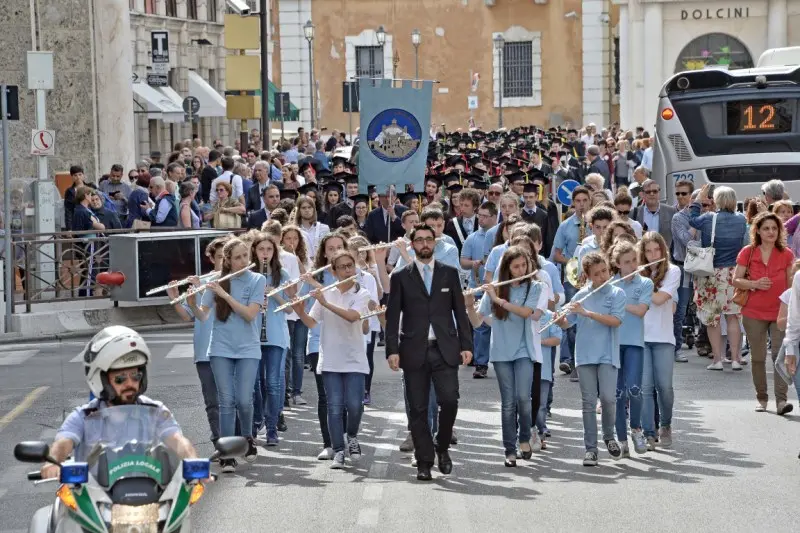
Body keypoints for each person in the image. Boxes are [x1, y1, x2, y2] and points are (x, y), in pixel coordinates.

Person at [40, 326, 199, 478]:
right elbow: (64, 442)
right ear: (101, 380)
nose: (130, 383)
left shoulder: (155, 411)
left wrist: (192, 460)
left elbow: (177, 441)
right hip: (95, 499)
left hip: (150, 494)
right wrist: (53, 462)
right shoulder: (84, 417)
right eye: (120, 378)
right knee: (61, 505)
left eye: (135, 376)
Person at [385, 223, 473, 480]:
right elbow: (392, 317)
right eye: (419, 240)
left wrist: (466, 345)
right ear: (412, 245)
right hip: (413, 349)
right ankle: (424, 460)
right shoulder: (401, 276)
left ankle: (442, 446)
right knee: (418, 408)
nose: (424, 244)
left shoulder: (449, 273)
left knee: (449, 401)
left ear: (435, 243)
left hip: (444, 348)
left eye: (428, 240)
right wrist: (392, 350)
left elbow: (460, 311)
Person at [464, 246, 547, 466]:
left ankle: (524, 438)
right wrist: (469, 304)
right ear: (508, 270)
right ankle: (510, 450)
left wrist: (497, 300)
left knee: (523, 399)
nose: (521, 270)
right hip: (501, 352)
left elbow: (526, 313)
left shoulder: (535, 287)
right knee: (508, 403)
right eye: (516, 266)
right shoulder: (496, 289)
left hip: (523, 350)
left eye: (524, 265)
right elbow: (477, 322)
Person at [192, 238, 266, 473]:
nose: (244, 260)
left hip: (248, 347)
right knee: (227, 401)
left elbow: (250, 314)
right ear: (228, 261)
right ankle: (227, 454)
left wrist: (224, 295)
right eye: (238, 258)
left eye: (245, 255)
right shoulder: (216, 282)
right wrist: (191, 301)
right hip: (220, 347)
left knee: (244, 400)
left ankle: (247, 438)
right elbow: (203, 316)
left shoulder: (257, 279)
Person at [293, 249, 371, 469]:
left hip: (354, 358)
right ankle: (338, 449)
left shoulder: (362, 293)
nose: (347, 270)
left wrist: (324, 301)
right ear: (334, 272)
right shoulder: (325, 293)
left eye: (350, 266)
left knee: (355, 405)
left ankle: (352, 436)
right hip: (330, 360)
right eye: (342, 267)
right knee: (334, 407)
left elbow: (352, 317)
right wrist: (299, 310)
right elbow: (312, 322)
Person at [559, 252, 625, 467]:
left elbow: (615, 321)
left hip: (607, 353)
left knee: (607, 398)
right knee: (588, 403)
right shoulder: (580, 296)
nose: (603, 276)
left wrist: (587, 313)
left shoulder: (617, 293)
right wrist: (560, 320)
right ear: (587, 276)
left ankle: (608, 436)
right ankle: (591, 449)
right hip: (585, 354)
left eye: (604, 271)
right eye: (596, 274)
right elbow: (567, 324)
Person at [167, 237, 229, 445]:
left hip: (231, 349)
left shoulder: (238, 280)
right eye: (220, 257)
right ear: (211, 259)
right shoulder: (200, 282)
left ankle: (241, 437)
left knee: (234, 401)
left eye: (228, 257)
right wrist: (175, 297)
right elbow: (187, 315)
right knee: (212, 402)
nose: (224, 262)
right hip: (205, 350)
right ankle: (220, 443)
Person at [733, 211, 795, 414]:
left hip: (780, 313)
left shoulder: (786, 254)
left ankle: (781, 400)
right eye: (766, 228)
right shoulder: (748, 252)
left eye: (774, 228)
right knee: (758, 357)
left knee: (779, 356)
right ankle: (762, 397)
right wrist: (754, 284)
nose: (771, 232)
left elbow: (792, 284)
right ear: (757, 231)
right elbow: (736, 280)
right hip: (753, 311)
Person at [690, 185, 748, 370]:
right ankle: (737, 358)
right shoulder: (741, 219)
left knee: (712, 318)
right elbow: (746, 243)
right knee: (733, 318)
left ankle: (717, 360)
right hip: (734, 273)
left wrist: (698, 200)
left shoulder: (709, 218)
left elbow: (692, 220)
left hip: (711, 274)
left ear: (716, 200)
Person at [250, 233, 293, 446]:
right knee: (255, 384)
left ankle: (272, 428)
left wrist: (273, 293)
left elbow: (290, 307)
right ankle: (257, 421)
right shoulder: (247, 274)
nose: (265, 253)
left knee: (274, 383)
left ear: (274, 252)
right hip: (251, 335)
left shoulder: (282, 274)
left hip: (275, 334)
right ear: (254, 252)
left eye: (269, 249)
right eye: (261, 250)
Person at [610, 241, 652, 456]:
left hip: (634, 342)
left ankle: (636, 429)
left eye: (634, 260)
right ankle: (621, 438)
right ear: (618, 264)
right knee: (617, 393)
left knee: (634, 389)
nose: (633, 265)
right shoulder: (609, 285)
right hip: (614, 343)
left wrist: (619, 301)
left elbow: (641, 310)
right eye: (627, 262)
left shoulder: (645, 282)